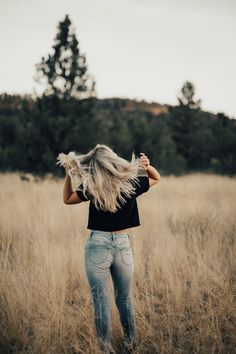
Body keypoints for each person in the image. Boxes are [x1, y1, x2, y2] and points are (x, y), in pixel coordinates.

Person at [58, 144, 160, 353]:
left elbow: (67, 199)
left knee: (100, 301)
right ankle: (131, 343)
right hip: (123, 245)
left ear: (94, 165)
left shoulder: (93, 186)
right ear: (113, 160)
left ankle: (105, 348)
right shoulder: (130, 183)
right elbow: (156, 178)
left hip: (97, 245)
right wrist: (147, 167)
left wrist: (69, 176)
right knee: (124, 297)